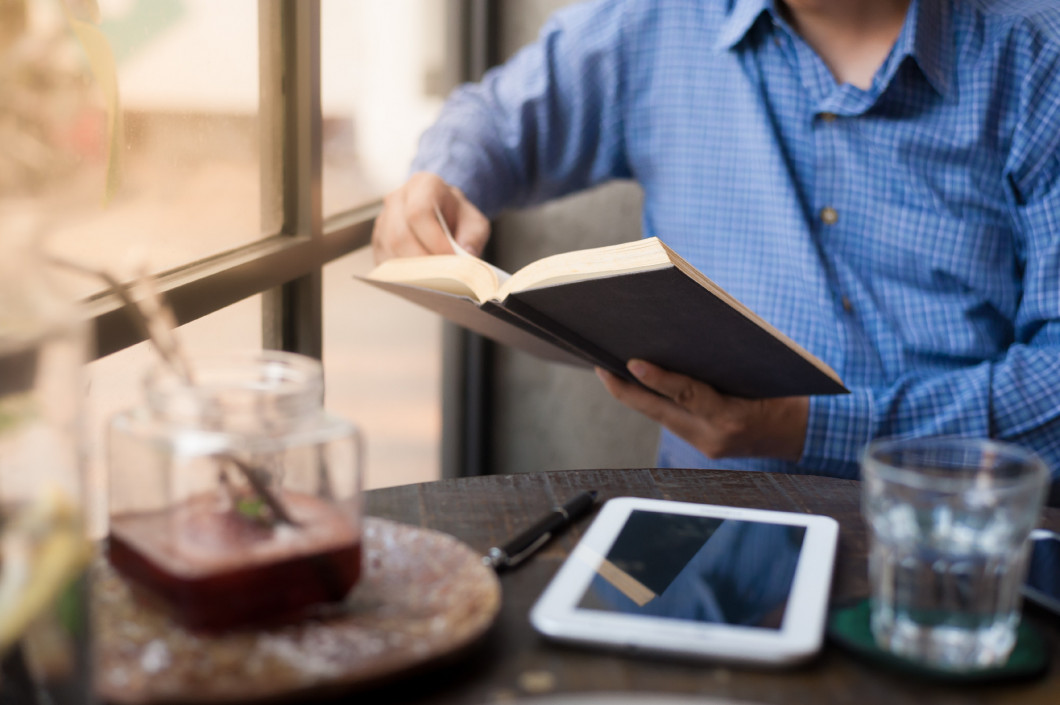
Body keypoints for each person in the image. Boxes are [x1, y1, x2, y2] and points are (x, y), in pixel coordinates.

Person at [370, 0, 1060, 480]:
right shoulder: (659, 22)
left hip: (956, 542)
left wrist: (806, 430)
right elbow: (491, 116)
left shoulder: (1036, 58)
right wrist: (441, 178)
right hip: (703, 522)